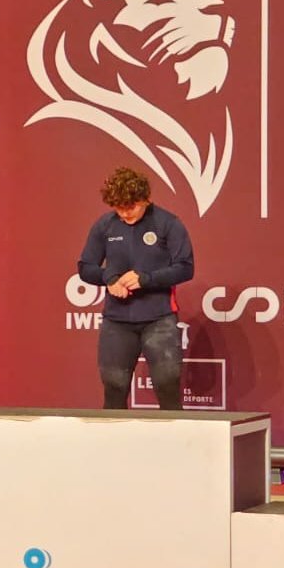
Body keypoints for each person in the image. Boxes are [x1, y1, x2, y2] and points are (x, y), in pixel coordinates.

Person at [77, 166, 193, 410]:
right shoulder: (105, 225)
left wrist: (146, 279)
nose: (124, 214)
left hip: (159, 319)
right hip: (116, 321)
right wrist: (109, 279)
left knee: (167, 384)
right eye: (118, 208)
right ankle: (115, 445)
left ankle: (175, 445)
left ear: (145, 199)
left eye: (131, 208)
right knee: (114, 387)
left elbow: (185, 268)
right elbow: (86, 267)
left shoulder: (168, 223)